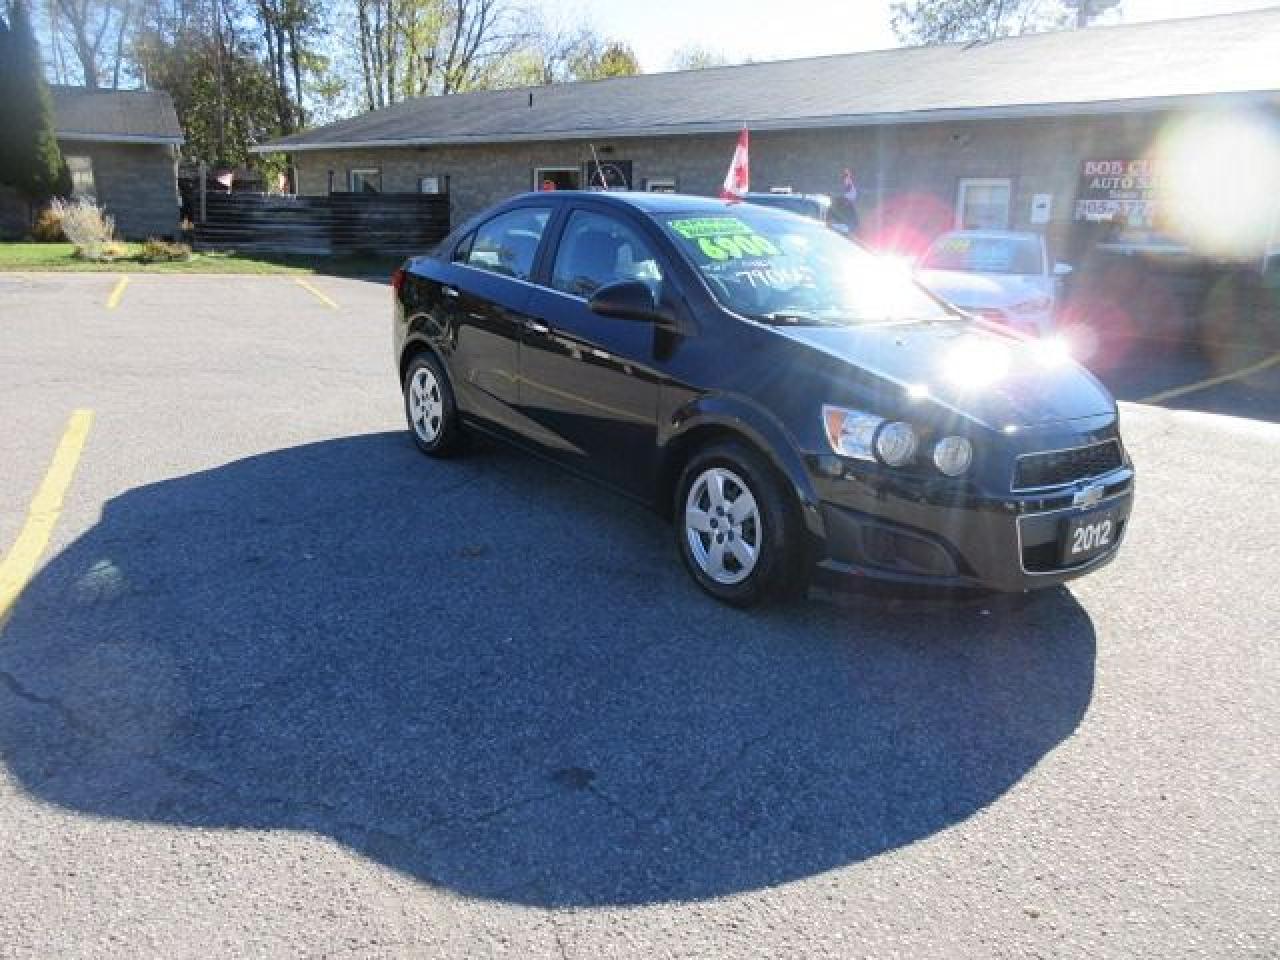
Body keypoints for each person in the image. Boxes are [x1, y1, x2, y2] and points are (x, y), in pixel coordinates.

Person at [831, 167, 860, 236]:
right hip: (849, 197)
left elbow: (848, 185)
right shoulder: (848, 182)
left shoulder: (848, 182)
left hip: (849, 197)